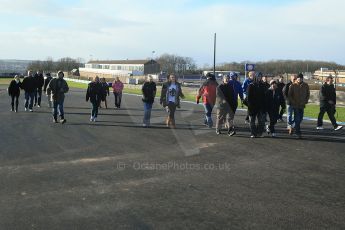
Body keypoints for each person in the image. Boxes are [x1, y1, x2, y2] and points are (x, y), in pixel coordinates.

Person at [288, 73, 310, 138]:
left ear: (302, 78)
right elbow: (289, 95)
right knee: (297, 119)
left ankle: (292, 127)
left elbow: (308, 94)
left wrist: (306, 100)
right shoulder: (293, 85)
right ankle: (298, 133)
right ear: (297, 78)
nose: (299, 79)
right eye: (298, 78)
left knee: (301, 118)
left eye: (301, 78)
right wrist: (293, 102)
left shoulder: (306, 85)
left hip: (302, 105)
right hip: (295, 105)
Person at [247, 72, 266, 138]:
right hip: (252, 107)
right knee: (252, 121)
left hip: (260, 106)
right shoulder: (251, 85)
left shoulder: (263, 85)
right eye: (258, 76)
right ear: (255, 77)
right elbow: (248, 97)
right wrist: (250, 106)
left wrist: (264, 106)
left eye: (260, 76)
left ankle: (259, 133)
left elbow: (264, 96)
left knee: (261, 121)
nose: (259, 78)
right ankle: (253, 133)